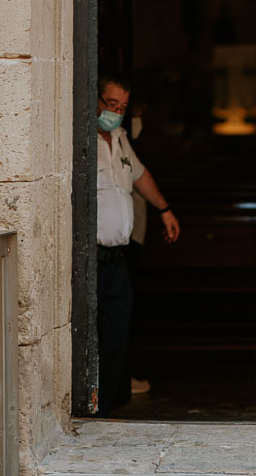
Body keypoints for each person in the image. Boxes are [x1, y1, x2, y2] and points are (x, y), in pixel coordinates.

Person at [95, 75, 181, 414]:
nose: (116, 112)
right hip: (92, 258)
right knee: (94, 338)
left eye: (122, 107)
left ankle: (108, 409)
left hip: (118, 259)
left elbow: (140, 175)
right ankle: (89, 409)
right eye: (111, 104)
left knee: (117, 335)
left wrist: (165, 209)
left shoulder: (119, 137)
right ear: (96, 100)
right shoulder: (79, 139)